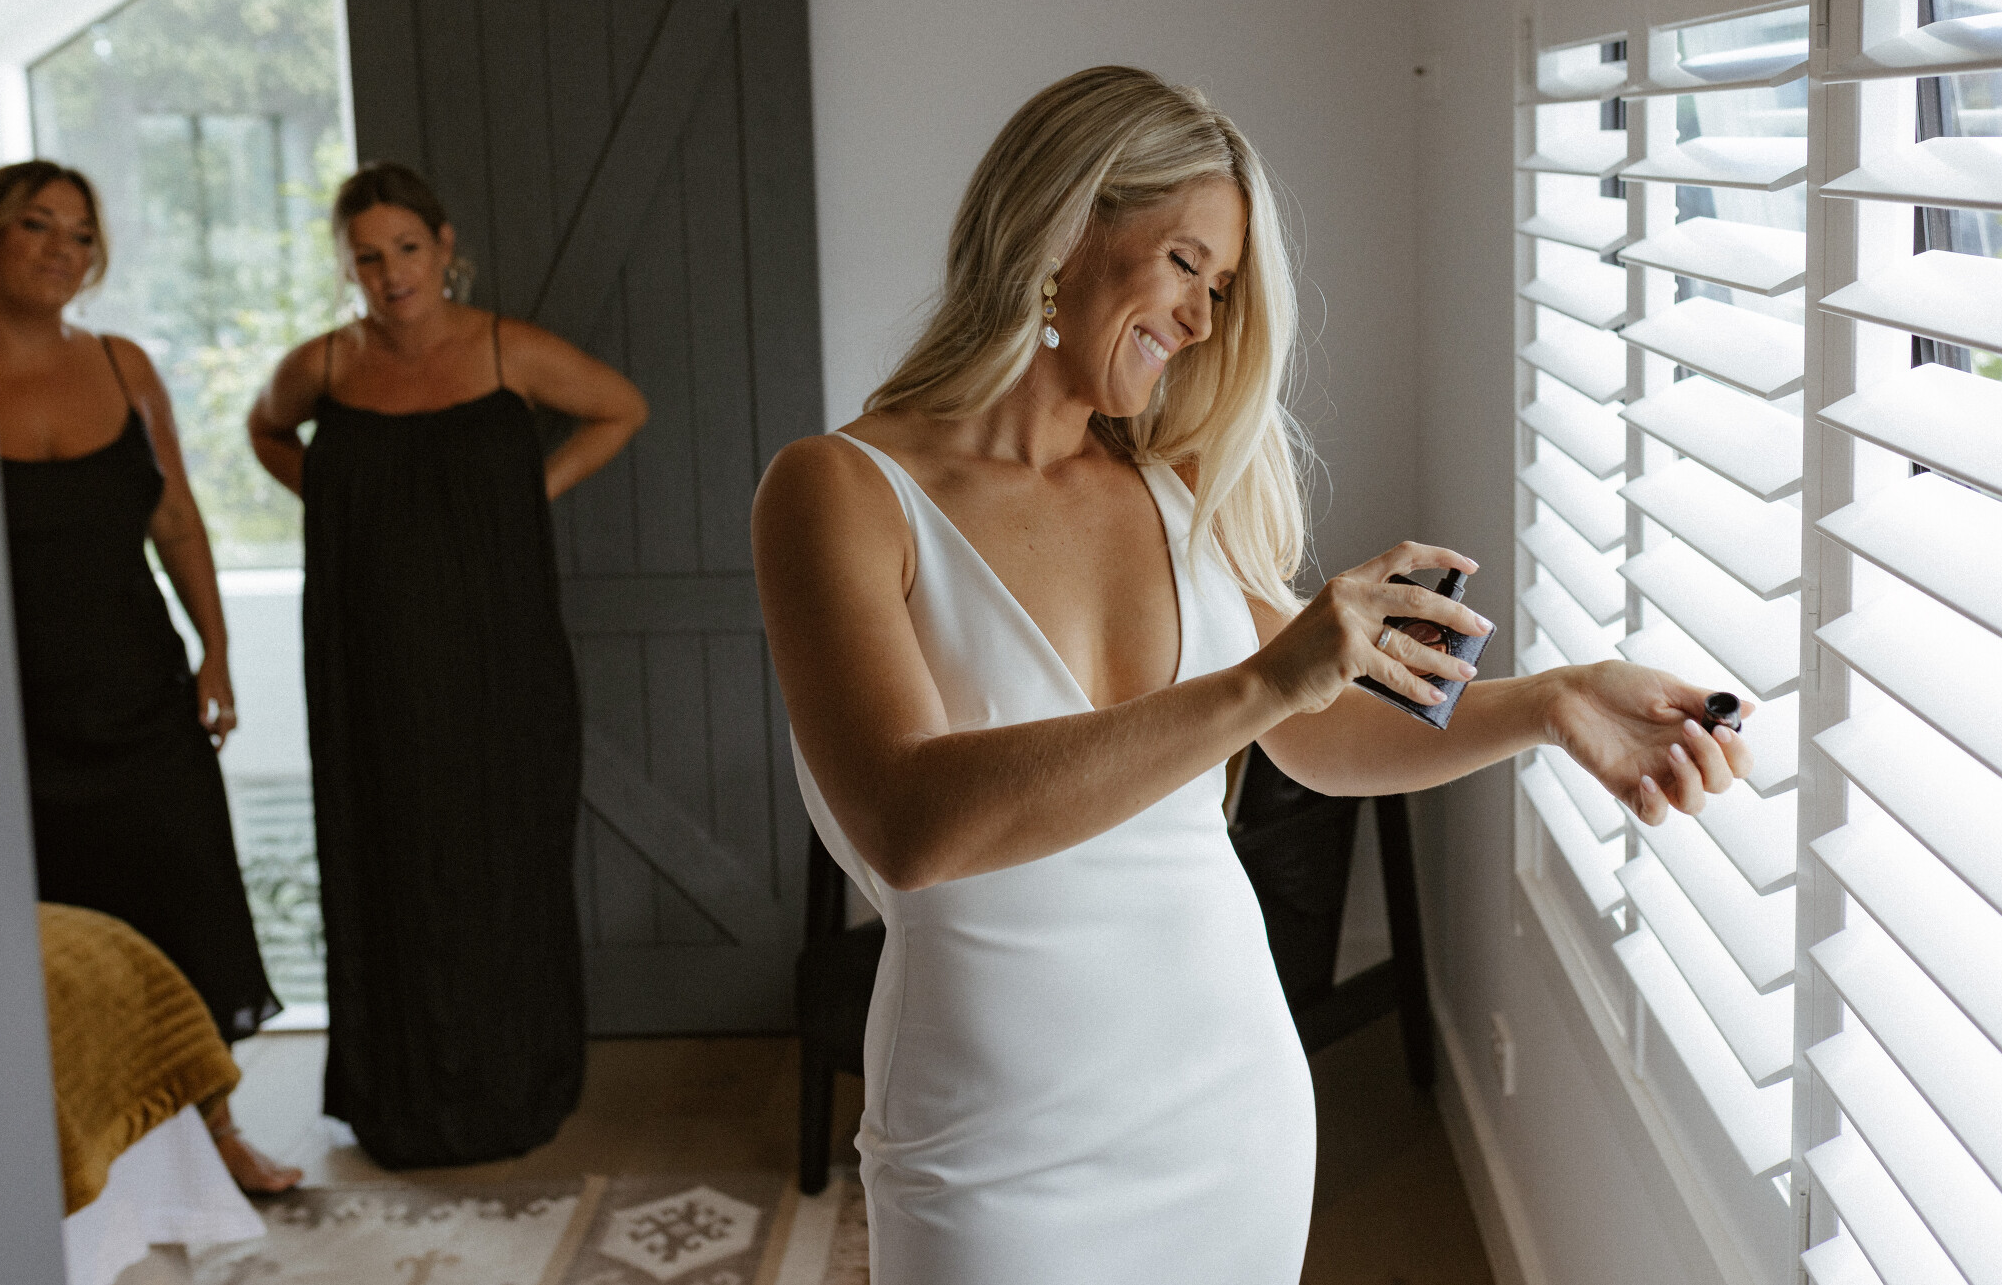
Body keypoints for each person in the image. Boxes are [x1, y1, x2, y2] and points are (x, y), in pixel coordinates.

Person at [752, 66, 1755, 1284]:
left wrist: (1550, 702)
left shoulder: (1172, 485)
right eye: (1186, 263)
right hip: (993, 1150)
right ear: (1063, 224)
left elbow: (1318, 733)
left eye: (1220, 290)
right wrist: (1264, 682)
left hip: (1230, 1109)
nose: (1200, 319)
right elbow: (911, 823)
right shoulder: (840, 492)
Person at [246, 162, 648, 1170]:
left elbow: (621, 408)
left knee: (502, 857)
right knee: (387, 858)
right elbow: (263, 428)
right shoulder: (324, 364)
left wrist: (525, 493)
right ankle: (398, 1099)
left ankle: (516, 1085)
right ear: (347, 267)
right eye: (368, 257)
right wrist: (341, 503)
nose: (392, 274)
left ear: (444, 247)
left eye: (407, 249)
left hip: (496, 653)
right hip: (368, 658)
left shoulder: (508, 347)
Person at [0, 160, 300, 1194]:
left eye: (81, 233)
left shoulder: (123, 365)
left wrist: (217, 649)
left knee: (187, 899)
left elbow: (176, 517)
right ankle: (70, 1162)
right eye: (37, 225)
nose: (63, 249)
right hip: (9, 710)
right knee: (52, 933)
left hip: (141, 690)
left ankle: (219, 1130)